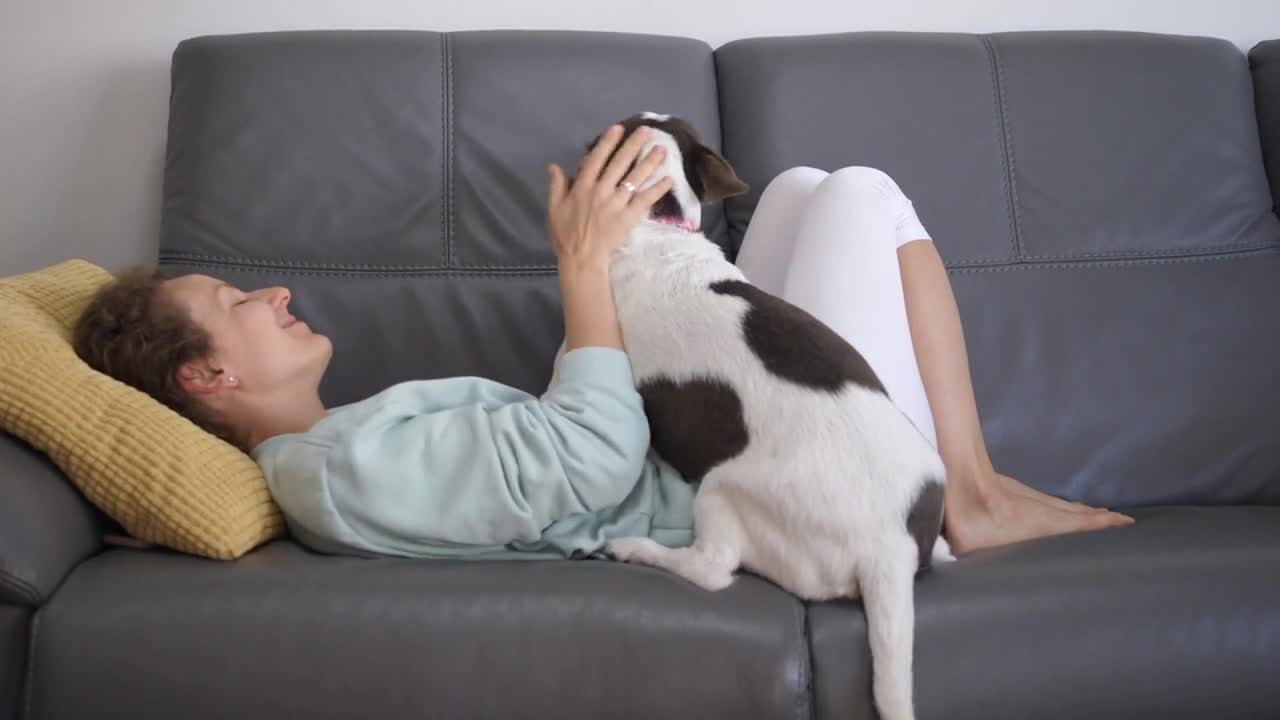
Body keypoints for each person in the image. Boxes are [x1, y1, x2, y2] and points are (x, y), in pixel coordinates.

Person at [73, 124, 1131, 560]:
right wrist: (583, 268)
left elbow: (549, 459)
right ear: (206, 375)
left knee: (805, 194)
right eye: (234, 301)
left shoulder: (346, 440)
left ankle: (971, 488)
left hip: (739, 441)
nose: (274, 293)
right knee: (859, 194)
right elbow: (588, 458)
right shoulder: (330, 472)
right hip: (770, 504)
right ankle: (967, 500)